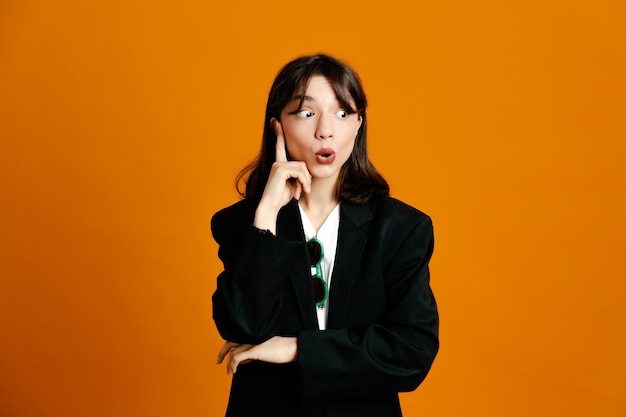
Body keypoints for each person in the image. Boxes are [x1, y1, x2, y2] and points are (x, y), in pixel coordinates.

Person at [212, 54, 438, 417]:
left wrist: (297, 348)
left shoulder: (400, 228)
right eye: (306, 113)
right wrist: (267, 214)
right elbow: (245, 326)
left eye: (342, 113)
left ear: (359, 124)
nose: (325, 130)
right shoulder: (243, 225)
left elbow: (412, 351)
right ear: (277, 127)